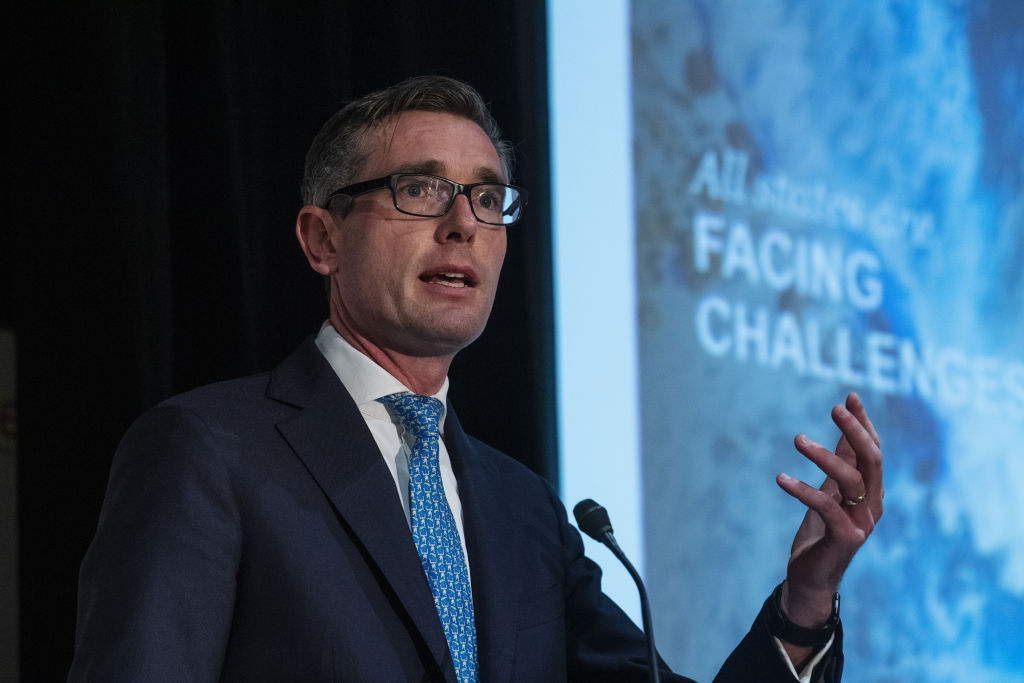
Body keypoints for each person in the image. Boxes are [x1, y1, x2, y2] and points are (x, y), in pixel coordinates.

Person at [69, 76, 883, 682]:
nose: (463, 221)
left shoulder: (523, 509)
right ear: (322, 239)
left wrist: (804, 600)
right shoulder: (209, 451)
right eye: (419, 189)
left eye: (488, 198)